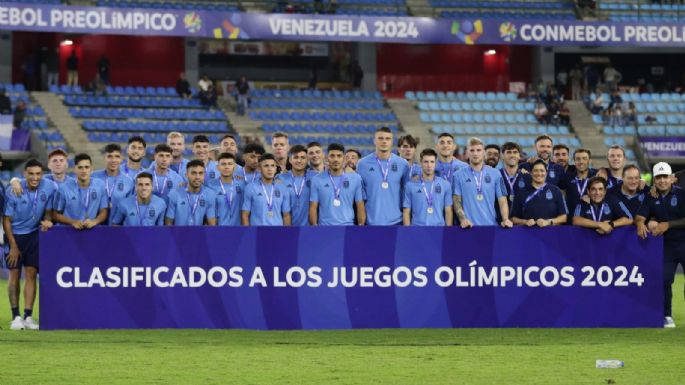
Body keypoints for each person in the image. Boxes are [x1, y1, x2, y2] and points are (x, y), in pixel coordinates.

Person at [3, 159, 55, 330]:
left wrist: (47, 220)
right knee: (14, 274)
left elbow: (48, 211)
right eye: (31, 174)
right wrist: (13, 246)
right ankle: (15, 316)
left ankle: (28, 316)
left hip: (34, 235)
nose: (35, 177)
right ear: (24, 174)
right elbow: (7, 220)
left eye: (38, 174)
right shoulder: (14, 190)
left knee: (31, 274)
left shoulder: (48, 186)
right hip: (15, 236)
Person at [635, 162, 685, 328]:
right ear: (654, 180)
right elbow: (640, 215)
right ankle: (667, 315)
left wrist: (667, 225)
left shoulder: (682, 194)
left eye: (665, 177)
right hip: (667, 246)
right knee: (665, 280)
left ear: (672, 178)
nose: (662, 180)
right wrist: (641, 224)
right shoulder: (651, 197)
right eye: (659, 177)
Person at [452, 137, 512, 228]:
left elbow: (502, 200)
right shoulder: (458, 175)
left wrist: (505, 219)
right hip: (468, 227)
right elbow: (456, 201)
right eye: (472, 150)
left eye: (478, 150)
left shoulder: (495, 174)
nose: (475, 153)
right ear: (467, 153)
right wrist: (463, 219)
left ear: (484, 152)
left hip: (490, 226)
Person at [357, 127, 409, 225]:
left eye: (387, 139)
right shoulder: (362, 164)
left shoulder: (403, 164)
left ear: (392, 141)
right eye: (380, 138)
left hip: (396, 222)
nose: (384, 141)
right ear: (374, 141)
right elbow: (359, 197)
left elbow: (406, 195)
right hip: (371, 223)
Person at [310, 143, 365, 226]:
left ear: (343, 158)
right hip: (325, 227)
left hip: (348, 227)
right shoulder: (317, 179)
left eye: (339, 156)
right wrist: (314, 227)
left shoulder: (356, 178)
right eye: (332, 156)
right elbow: (313, 207)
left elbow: (360, 205)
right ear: (327, 158)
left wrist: (361, 226)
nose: (336, 159)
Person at [53, 153, 108, 229]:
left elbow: (104, 211)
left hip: (90, 230)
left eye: (86, 167)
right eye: (80, 167)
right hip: (68, 231)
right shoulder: (64, 188)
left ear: (91, 169)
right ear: (75, 169)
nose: (84, 170)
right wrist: (73, 222)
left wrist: (94, 221)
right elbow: (56, 215)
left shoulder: (100, 185)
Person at [403, 149, 453, 226]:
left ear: (435, 163)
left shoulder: (445, 185)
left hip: (438, 230)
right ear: (421, 163)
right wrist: (408, 233)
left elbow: (448, 210)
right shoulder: (410, 185)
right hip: (417, 229)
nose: (429, 165)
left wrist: (448, 233)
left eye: (432, 162)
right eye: (426, 162)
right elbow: (406, 211)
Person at [511, 159, 567, 227]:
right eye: (536, 171)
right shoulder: (521, 192)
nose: (539, 174)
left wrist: (548, 222)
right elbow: (513, 218)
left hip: (551, 233)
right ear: (531, 173)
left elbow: (564, 217)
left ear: (546, 173)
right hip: (527, 234)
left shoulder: (556, 191)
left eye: (542, 171)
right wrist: (525, 222)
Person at [241, 154, 291, 226]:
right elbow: (245, 214)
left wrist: (287, 234)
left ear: (276, 169)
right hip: (257, 232)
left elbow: (286, 215)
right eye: (266, 166)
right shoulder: (250, 188)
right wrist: (249, 235)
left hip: (277, 232)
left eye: (272, 166)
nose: (270, 169)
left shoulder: (283, 188)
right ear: (259, 168)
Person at [92, 144, 134, 225]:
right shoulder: (93, 177)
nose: (113, 160)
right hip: (95, 226)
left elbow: (129, 207)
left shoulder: (129, 181)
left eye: (117, 156)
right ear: (104, 158)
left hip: (118, 228)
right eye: (110, 156)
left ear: (121, 159)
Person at [165, 160, 217, 226]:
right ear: (186, 175)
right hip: (178, 235)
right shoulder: (175, 193)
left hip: (199, 235)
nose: (197, 177)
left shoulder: (210, 194)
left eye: (200, 173)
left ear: (204, 175)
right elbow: (168, 222)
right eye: (193, 173)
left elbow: (211, 223)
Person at [276, 145, 312, 226]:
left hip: (310, 228)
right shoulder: (280, 178)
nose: (299, 160)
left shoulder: (315, 177)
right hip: (286, 227)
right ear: (290, 160)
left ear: (307, 160)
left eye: (303, 157)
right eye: (296, 157)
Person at [559, 149, 597, 222]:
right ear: (574, 161)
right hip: (570, 222)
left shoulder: (596, 175)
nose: (581, 162)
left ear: (590, 161)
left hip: (592, 221)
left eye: (584, 159)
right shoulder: (567, 177)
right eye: (578, 159)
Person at [207, 153, 245, 226]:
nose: (226, 167)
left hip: (239, 230)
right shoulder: (210, 185)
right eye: (223, 164)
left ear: (234, 167)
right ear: (218, 167)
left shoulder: (242, 185)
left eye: (230, 164)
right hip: (218, 230)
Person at [499, 142, 531, 209]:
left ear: (519, 156)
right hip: (500, 218)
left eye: (515, 152)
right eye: (509, 152)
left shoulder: (527, 177)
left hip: (521, 218)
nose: (512, 155)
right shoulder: (497, 176)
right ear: (502, 156)